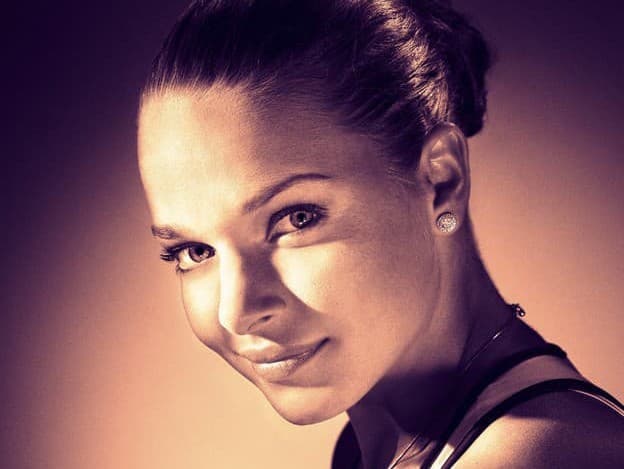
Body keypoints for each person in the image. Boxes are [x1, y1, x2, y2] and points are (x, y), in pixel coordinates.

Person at [137, 1, 624, 467]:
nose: (237, 313)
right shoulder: (378, 444)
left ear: (441, 181)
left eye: (296, 218)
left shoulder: (538, 456)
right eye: (194, 251)